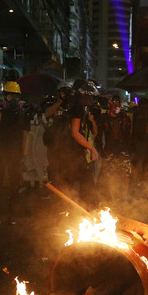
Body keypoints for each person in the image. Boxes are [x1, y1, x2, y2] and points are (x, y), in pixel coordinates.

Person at [45, 79, 100, 208]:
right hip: (72, 153)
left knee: (69, 186)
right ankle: (89, 213)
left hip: (64, 153)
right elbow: (75, 132)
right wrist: (92, 149)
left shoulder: (73, 105)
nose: (91, 98)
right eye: (88, 94)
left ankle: (70, 214)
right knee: (86, 185)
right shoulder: (77, 107)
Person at [0, 81, 30, 226]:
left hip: (15, 154)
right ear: (5, 96)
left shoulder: (23, 112)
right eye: (9, 96)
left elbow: (26, 135)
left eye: (15, 96)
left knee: (14, 187)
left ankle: (11, 215)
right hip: (0, 153)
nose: (12, 99)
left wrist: (24, 155)